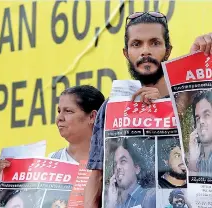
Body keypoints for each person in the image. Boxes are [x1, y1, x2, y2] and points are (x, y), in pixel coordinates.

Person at [84, 11, 212, 208]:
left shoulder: (191, 99)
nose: (145, 51)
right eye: (136, 44)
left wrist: (199, 59)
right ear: (126, 53)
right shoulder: (111, 108)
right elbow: (97, 177)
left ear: (168, 50)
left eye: (154, 43)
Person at [48, 85, 105, 163]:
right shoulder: (51, 161)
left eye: (68, 111)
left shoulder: (113, 161)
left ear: (92, 117)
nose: (59, 118)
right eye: (59, 111)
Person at [106, 139, 155, 208]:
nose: (117, 167)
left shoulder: (151, 197)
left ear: (137, 169)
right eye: (115, 163)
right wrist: (111, 204)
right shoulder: (114, 202)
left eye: (123, 161)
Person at [189, 91, 212, 177]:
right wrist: (193, 160)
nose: (201, 121)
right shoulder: (197, 159)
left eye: (206, 115)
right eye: (198, 118)